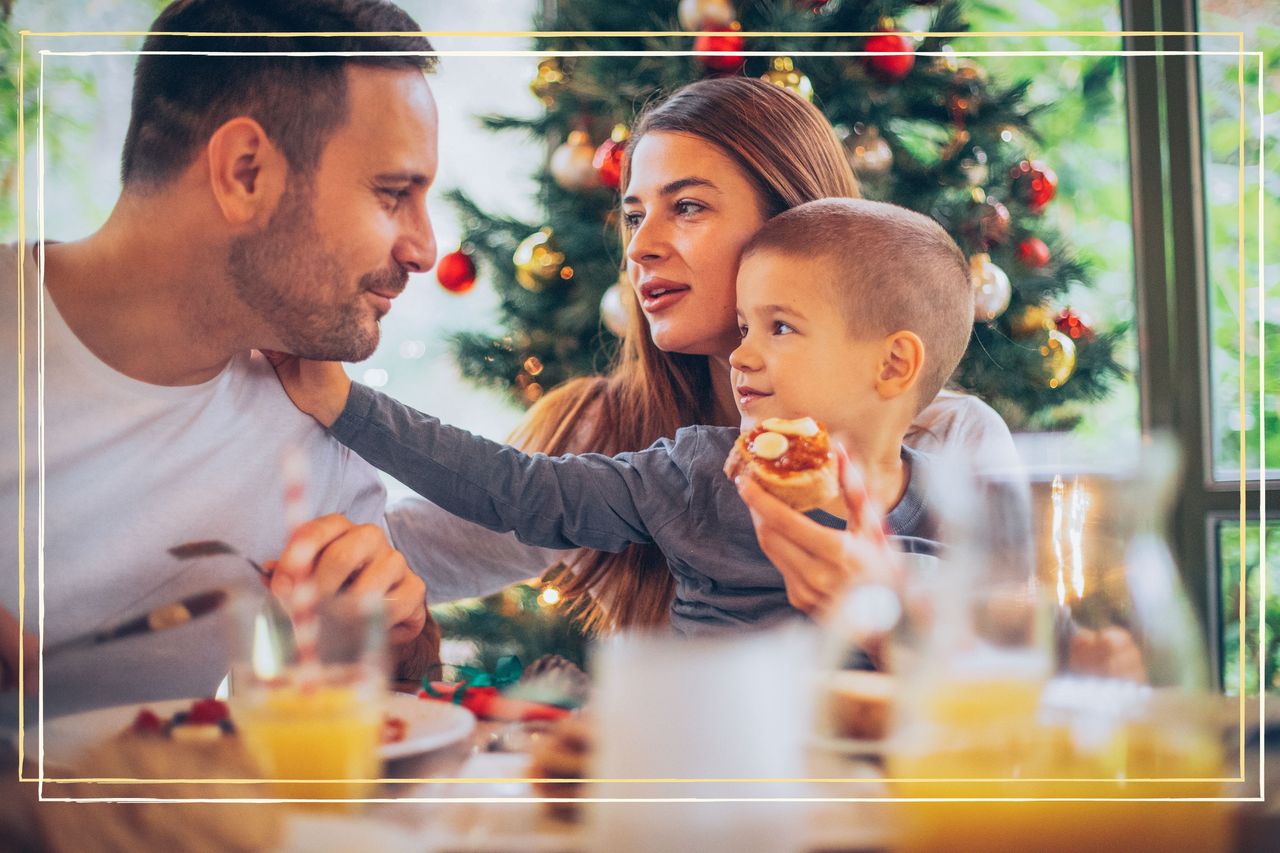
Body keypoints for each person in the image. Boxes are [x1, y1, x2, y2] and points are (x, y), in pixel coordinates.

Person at [367, 77, 1017, 631]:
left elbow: (1019, 662)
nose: (640, 247)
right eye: (632, 215)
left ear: (793, 227)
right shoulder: (607, 431)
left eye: (686, 206)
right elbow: (395, 552)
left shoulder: (950, 441)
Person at [0, 0, 441, 719]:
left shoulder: (309, 408)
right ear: (244, 172)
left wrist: (395, 628)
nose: (424, 248)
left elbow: (399, 684)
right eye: (394, 194)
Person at [273, 198, 973, 635]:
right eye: (742, 325)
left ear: (893, 364)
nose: (743, 356)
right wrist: (347, 406)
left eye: (780, 328)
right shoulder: (698, 471)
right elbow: (524, 489)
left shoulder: (959, 508)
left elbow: (1033, 649)